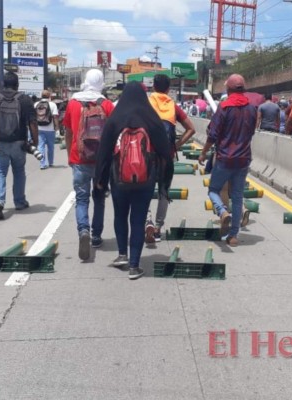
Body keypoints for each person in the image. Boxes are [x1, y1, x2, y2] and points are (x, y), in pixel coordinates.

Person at [95, 81, 174, 280]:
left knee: (120, 216)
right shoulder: (150, 117)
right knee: (138, 220)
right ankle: (134, 266)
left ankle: (122, 254)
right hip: (145, 179)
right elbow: (166, 151)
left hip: (118, 178)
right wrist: (163, 181)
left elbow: (103, 152)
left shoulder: (116, 117)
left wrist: (100, 180)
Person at [197, 74, 257, 247]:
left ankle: (223, 212)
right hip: (244, 158)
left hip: (225, 157)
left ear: (228, 89)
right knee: (237, 196)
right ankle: (233, 236)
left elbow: (213, 134)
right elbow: (251, 132)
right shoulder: (252, 108)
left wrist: (203, 153)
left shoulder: (223, 107)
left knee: (213, 190)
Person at [63, 69, 115, 260]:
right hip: (101, 161)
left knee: (82, 199)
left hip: (79, 159)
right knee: (99, 198)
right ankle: (96, 236)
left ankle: (83, 231)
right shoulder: (107, 104)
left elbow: (68, 132)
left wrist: (70, 155)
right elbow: (114, 134)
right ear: (101, 82)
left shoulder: (73, 103)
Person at [0, 71, 39, 220]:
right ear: (17, 85)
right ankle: (19, 201)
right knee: (19, 172)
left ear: (2, 84)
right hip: (19, 143)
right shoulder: (25, 100)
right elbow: (33, 123)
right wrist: (35, 142)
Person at [145, 73, 195, 243]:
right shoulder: (173, 106)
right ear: (168, 89)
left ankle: (147, 222)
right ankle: (158, 228)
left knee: (144, 190)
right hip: (166, 156)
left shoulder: (147, 103)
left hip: (147, 156)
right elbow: (191, 129)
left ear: (153, 87)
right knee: (163, 192)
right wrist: (176, 146)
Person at [35, 90, 60, 169]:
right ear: (49, 96)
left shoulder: (36, 104)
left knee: (40, 146)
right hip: (50, 129)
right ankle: (51, 162)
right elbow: (55, 117)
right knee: (50, 146)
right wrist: (57, 128)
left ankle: (42, 164)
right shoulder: (52, 105)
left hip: (39, 128)